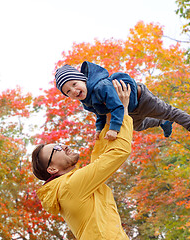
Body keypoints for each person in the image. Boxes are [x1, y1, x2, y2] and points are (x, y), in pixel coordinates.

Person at [32, 80, 132, 240]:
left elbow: (99, 161)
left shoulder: (71, 186)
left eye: (59, 143)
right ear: (52, 169)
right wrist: (123, 111)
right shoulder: (69, 187)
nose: (63, 146)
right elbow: (118, 153)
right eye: (56, 149)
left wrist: (108, 120)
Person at [55, 61, 190, 150]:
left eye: (74, 84)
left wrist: (114, 129)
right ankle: (162, 122)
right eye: (68, 91)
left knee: (168, 111)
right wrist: (99, 129)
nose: (74, 90)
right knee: (138, 126)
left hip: (141, 99)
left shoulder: (101, 86)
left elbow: (116, 107)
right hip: (129, 110)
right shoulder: (86, 101)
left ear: (83, 79)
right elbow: (101, 113)